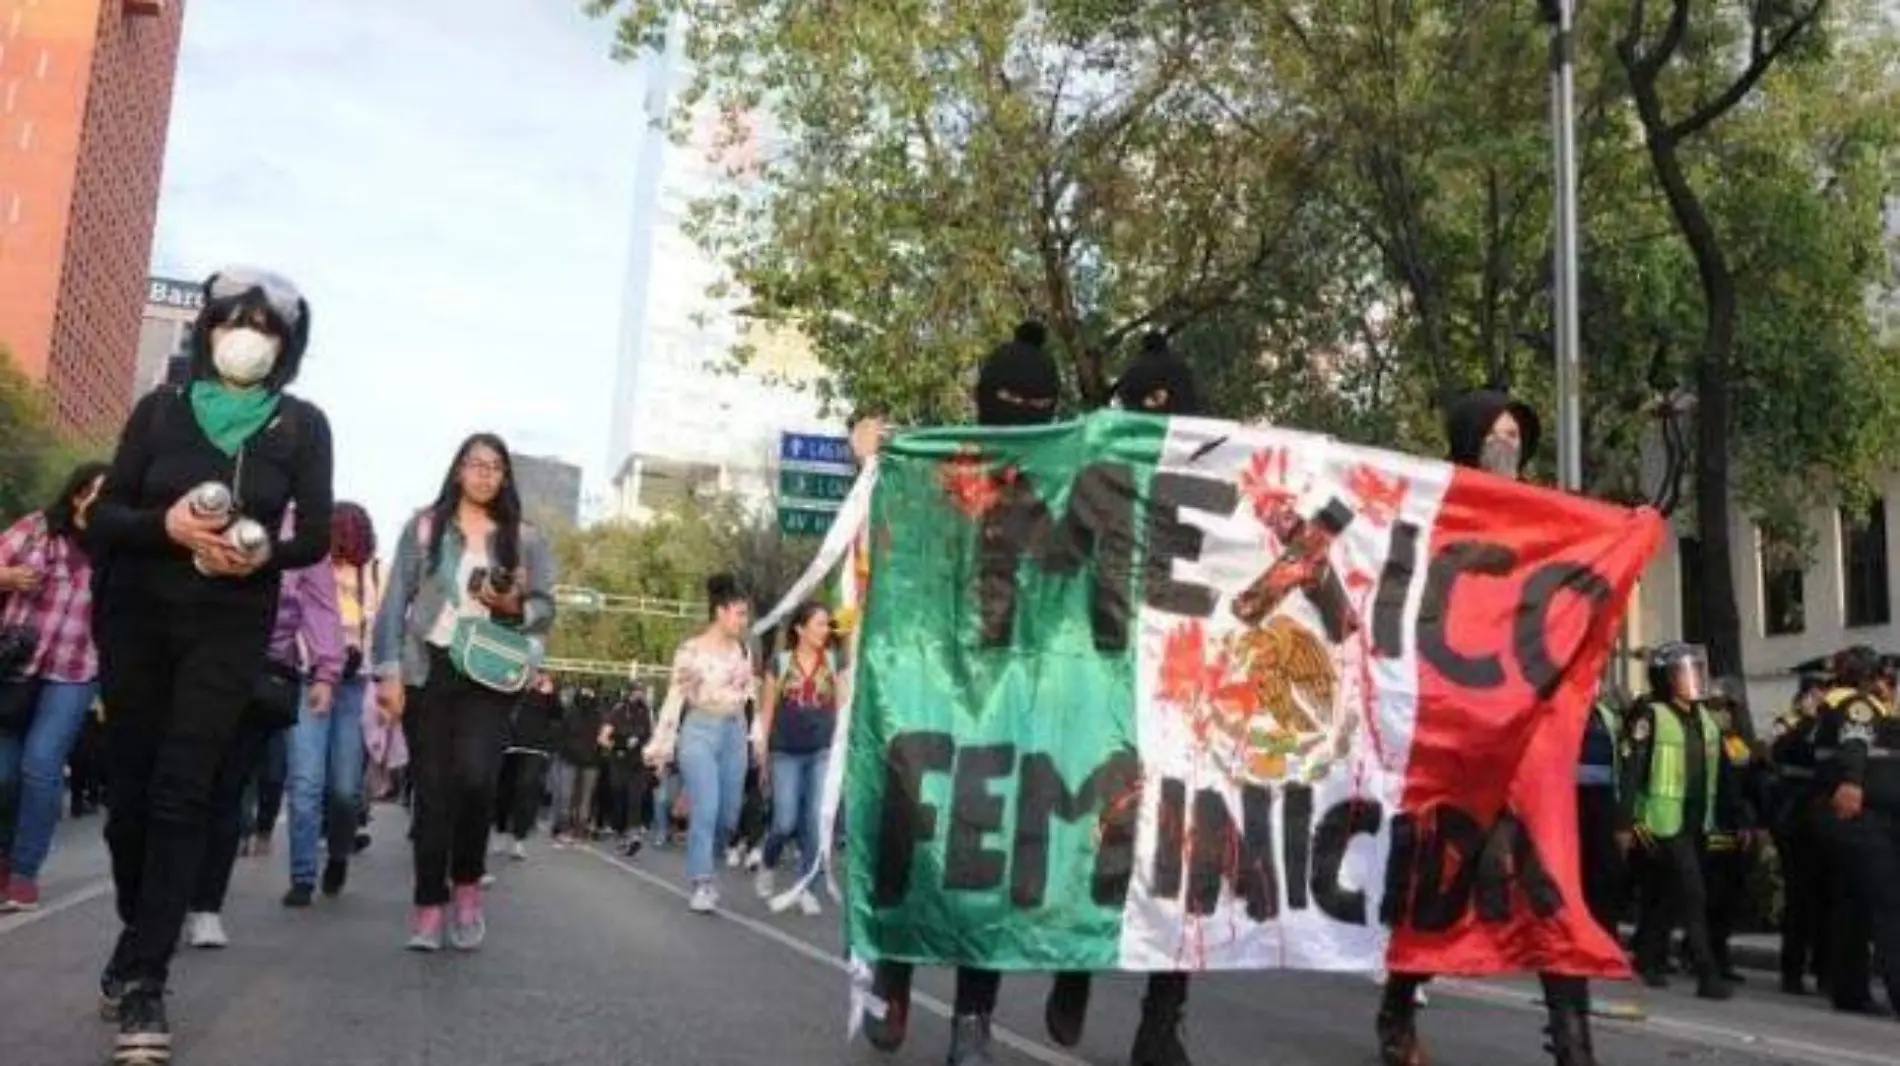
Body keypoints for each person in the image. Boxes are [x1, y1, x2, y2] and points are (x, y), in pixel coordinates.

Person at [86, 267, 334, 1065]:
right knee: (129, 795)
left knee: (182, 790)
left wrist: (254, 554)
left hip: (229, 624)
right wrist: (169, 527)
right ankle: (137, 932)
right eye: (235, 320)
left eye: (265, 325)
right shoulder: (159, 410)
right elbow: (109, 520)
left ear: (288, 344)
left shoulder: (301, 426)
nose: (248, 336)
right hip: (136, 616)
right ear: (207, 328)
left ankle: (148, 979)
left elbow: (315, 538)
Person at [1377, 387, 1605, 1066]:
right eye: (1495, 434)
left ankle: (1573, 1038)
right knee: (1443, 882)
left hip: (1530, 733)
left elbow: (1589, 563)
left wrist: (1635, 525)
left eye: (1516, 434)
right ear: (1469, 440)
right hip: (1459, 733)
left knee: (1551, 876)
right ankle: (1398, 1007)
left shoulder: (1547, 520)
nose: (1507, 445)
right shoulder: (1437, 511)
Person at [858, 321, 1059, 1066]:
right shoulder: (939, 468)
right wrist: (873, 456)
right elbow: (899, 548)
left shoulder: (1066, 477)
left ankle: (975, 1014)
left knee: (1000, 856)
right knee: (912, 828)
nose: (1022, 420)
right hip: (931, 686)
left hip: (1019, 696)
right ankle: (895, 971)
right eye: (1011, 403)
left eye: (1036, 407)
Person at [1040, 334, 1202, 1066]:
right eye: (1137, 411)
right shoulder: (1093, 480)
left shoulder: (1211, 479)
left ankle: (1161, 1023)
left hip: (1191, 704)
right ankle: (1077, 966)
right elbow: (1050, 562)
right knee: (1105, 843)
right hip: (1106, 695)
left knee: (1192, 867)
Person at [372, 433, 556, 952]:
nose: (483, 474)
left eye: (495, 467)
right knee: (432, 790)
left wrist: (515, 601)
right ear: (458, 471)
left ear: (504, 478)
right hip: (428, 667)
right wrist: (388, 672)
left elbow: (546, 609)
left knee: (477, 780)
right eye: (475, 464)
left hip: (490, 670)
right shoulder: (426, 526)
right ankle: (429, 905)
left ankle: (468, 885)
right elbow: (393, 604)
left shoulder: (525, 539)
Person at [184, 517, 343, 944]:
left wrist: (327, 673)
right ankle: (166, 894)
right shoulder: (209, 506)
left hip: (261, 673)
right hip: (191, 661)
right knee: (182, 785)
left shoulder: (300, 529)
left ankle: (205, 906)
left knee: (228, 789)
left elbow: (320, 603)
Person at [0, 461, 109, 912]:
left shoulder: (118, 550)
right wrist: (6, 578)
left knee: (41, 766)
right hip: (14, 665)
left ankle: (24, 873)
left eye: (110, 494)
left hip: (75, 670)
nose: (97, 500)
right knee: (3, 775)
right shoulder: (38, 528)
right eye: (91, 490)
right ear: (76, 492)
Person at [1617, 641, 1735, 1000]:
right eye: (1684, 672)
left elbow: (1724, 773)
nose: (1692, 678)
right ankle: (1706, 972)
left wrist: (1738, 818)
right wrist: (1624, 824)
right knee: (1693, 893)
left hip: (1698, 820)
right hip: (1661, 821)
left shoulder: (1706, 718)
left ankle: (1648, 957)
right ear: (1665, 678)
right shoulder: (1649, 715)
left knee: (1668, 894)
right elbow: (1631, 771)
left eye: (1696, 670)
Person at [282, 501, 378, 902]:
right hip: (308, 679)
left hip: (355, 685)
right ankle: (302, 876)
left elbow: (385, 628)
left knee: (344, 787)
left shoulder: (373, 574)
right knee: (305, 782)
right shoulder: (306, 566)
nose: (345, 537)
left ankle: (338, 853)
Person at [646, 573, 758, 913]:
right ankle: (702, 881)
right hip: (700, 730)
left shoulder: (743, 649)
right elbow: (674, 699)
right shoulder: (690, 651)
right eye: (739, 613)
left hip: (735, 729)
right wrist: (661, 746)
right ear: (721, 612)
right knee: (706, 807)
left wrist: (759, 739)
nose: (744, 620)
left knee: (728, 814)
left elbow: (750, 695)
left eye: (745, 614)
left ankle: (712, 860)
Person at [1810, 645, 1899, 1013]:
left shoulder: (1841, 704)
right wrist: (1852, 783)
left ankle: (1849, 990)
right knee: (1891, 902)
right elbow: (1855, 745)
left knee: (1854, 903)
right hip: (1863, 817)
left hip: (1856, 818)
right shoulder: (1857, 705)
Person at [753, 601, 838, 917]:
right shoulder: (780, 662)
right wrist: (761, 747)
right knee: (784, 820)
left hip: (822, 749)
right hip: (785, 750)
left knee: (814, 819)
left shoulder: (832, 660)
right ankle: (768, 861)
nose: (825, 630)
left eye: (827, 624)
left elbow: (841, 705)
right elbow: (767, 710)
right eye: (819, 624)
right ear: (800, 629)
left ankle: (806, 886)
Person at [1768, 673, 1832, 995]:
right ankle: (1792, 972)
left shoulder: (1831, 722)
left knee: (1827, 899)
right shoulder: (1791, 725)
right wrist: (1806, 724)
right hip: (1795, 820)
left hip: (1823, 821)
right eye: (1818, 691)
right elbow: (1777, 755)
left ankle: (1824, 970)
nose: (1823, 696)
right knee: (1800, 900)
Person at [1699, 675, 1763, 982]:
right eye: (1716, 707)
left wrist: (1752, 821)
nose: (1723, 713)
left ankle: (1716, 952)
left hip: (1735, 825)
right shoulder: (1703, 741)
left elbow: (1749, 785)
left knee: (1730, 894)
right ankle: (1705, 954)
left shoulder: (1736, 742)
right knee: (1710, 893)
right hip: (1708, 824)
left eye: (1727, 707)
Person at [494, 672, 561, 860]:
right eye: (536, 676)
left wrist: (550, 693)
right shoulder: (517, 689)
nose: (539, 680)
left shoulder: (550, 698)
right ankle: (500, 832)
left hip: (536, 751)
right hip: (511, 747)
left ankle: (518, 841)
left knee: (526, 793)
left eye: (542, 677)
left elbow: (558, 715)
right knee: (504, 793)